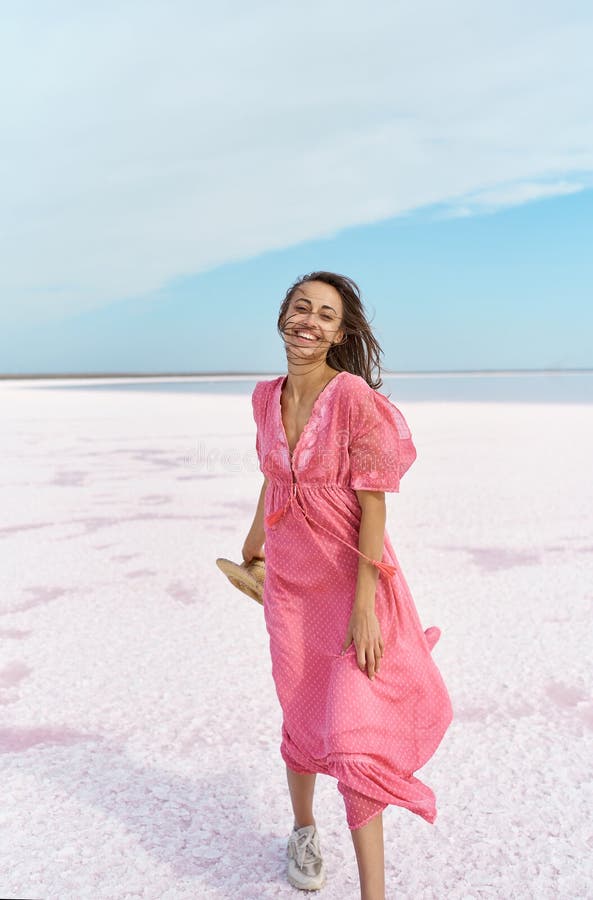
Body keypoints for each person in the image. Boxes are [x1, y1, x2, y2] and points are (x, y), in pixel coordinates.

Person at [243, 271, 453, 899]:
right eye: (300, 308)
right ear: (283, 316)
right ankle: (304, 830)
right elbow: (272, 475)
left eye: (326, 316)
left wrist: (366, 607)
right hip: (289, 581)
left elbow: (374, 506)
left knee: (358, 736)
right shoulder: (263, 395)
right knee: (301, 713)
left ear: (340, 333)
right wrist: (253, 541)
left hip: (351, 579)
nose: (309, 321)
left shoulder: (353, 398)